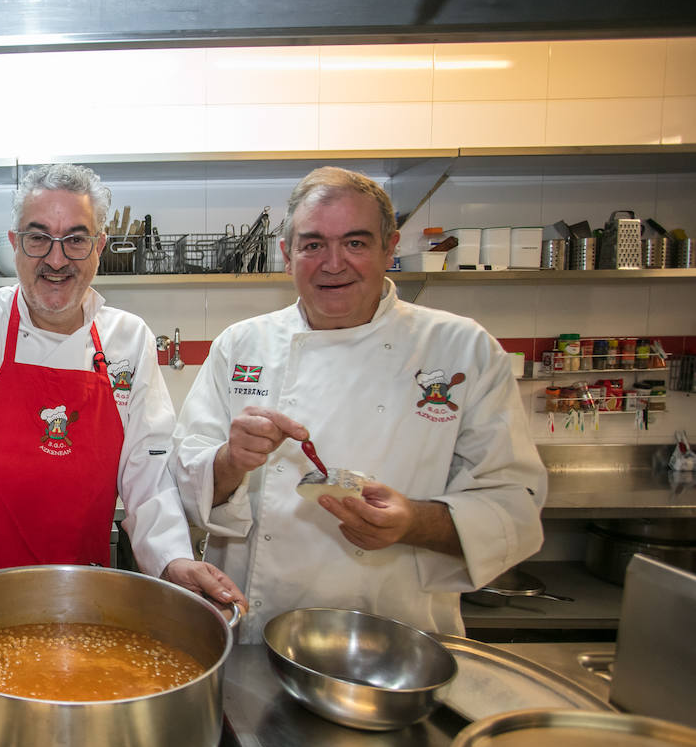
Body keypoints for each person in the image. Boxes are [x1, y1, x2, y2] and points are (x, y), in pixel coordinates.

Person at [171, 166, 546, 644]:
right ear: (286, 255)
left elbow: (513, 505)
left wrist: (413, 523)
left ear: (390, 248)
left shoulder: (462, 348)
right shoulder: (241, 344)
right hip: (256, 633)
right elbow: (184, 483)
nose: (333, 264)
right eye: (312, 245)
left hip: (397, 638)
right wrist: (230, 460)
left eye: (355, 242)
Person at [0, 163, 241, 608]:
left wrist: (173, 559)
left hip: (80, 595)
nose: (56, 260)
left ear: (100, 247)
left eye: (75, 240)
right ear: (14, 243)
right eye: (38, 238)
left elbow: (149, 474)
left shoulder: (128, 339)